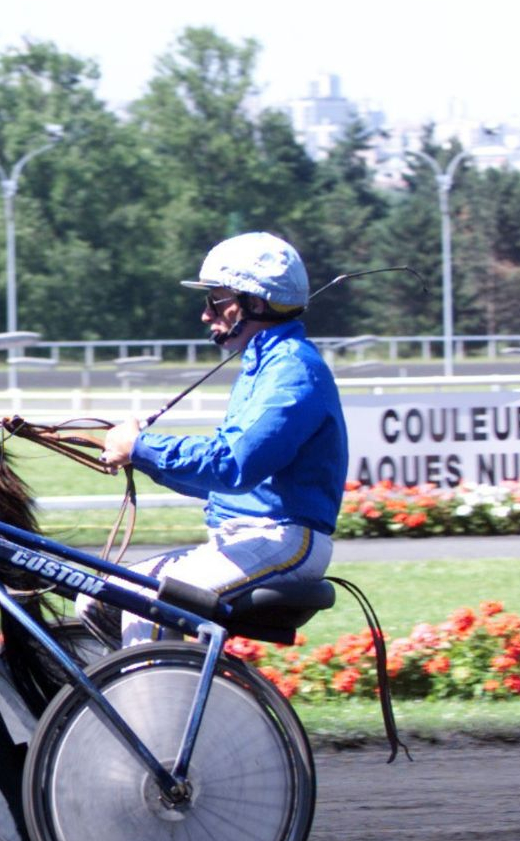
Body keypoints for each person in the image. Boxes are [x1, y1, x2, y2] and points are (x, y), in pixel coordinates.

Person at [81, 231, 347, 648]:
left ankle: (151, 709)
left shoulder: (293, 371)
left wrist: (141, 447)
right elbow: (219, 480)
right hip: (247, 537)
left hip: (283, 540)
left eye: (216, 301)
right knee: (98, 597)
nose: (207, 315)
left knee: (144, 603)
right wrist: (142, 457)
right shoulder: (262, 367)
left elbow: (232, 466)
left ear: (255, 303)